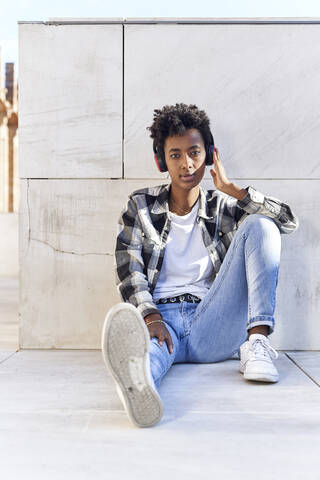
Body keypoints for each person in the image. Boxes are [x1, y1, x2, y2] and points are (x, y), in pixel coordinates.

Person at [101, 103, 299, 428]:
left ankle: (258, 340)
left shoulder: (223, 207)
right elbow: (128, 266)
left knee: (261, 224)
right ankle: (139, 383)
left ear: (209, 154)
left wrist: (235, 190)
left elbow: (287, 222)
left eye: (194, 152)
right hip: (161, 322)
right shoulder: (140, 206)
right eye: (175, 154)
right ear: (160, 160)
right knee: (151, 356)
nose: (187, 163)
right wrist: (149, 316)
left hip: (212, 322)